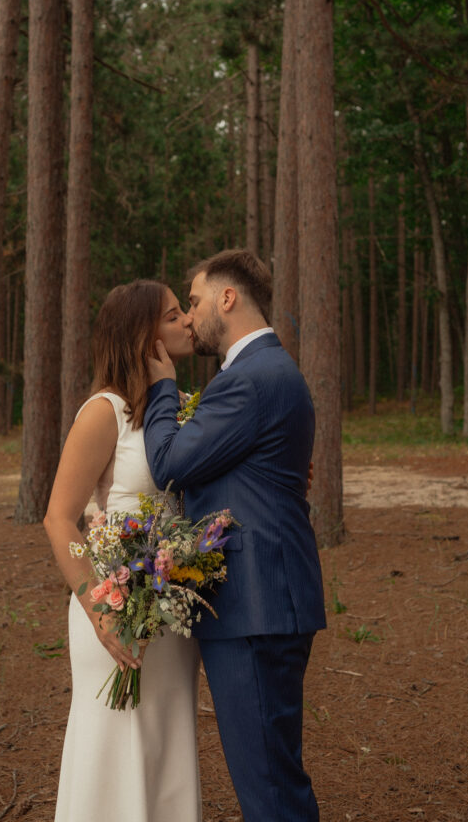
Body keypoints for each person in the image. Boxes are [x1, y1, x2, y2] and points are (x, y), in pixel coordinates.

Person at [143, 248, 326, 822]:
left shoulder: (250, 378)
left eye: (193, 301)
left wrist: (163, 387)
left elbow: (169, 462)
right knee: (273, 775)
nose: (189, 316)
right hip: (268, 600)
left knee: (269, 789)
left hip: (256, 604)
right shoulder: (267, 371)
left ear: (228, 298)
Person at [44, 280, 202, 822]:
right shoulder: (103, 411)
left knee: (167, 737)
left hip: (172, 610)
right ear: (143, 334)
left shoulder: (181, 409)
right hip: (112, 608)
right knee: (111, 740)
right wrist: (96, 606)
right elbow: (60, 518)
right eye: (174, 315)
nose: (187, 322)